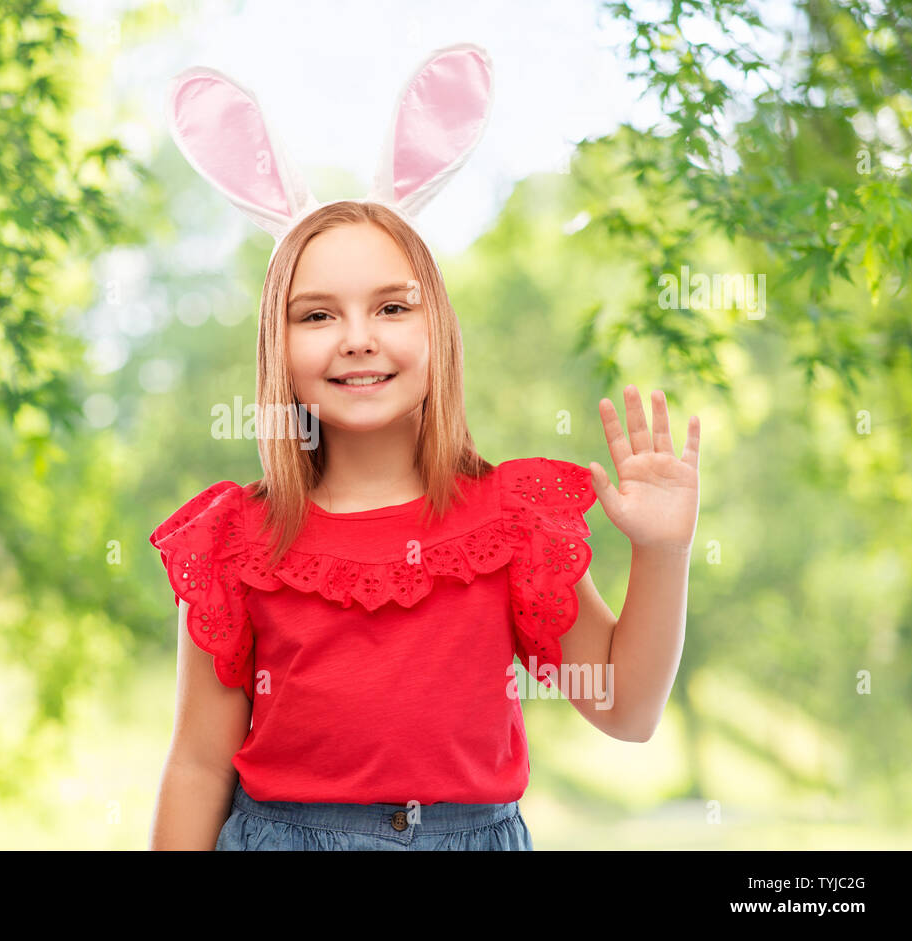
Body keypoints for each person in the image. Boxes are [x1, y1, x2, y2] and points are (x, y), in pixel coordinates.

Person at [148, 44, 701, 851]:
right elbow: (198, 765)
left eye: (391, 308)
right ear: (278, 348)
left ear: (437, 329)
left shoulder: (507, 522)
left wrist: (663, 553)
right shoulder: (239, 543)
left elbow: (626, 707)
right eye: (317, 315)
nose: (358, 340)